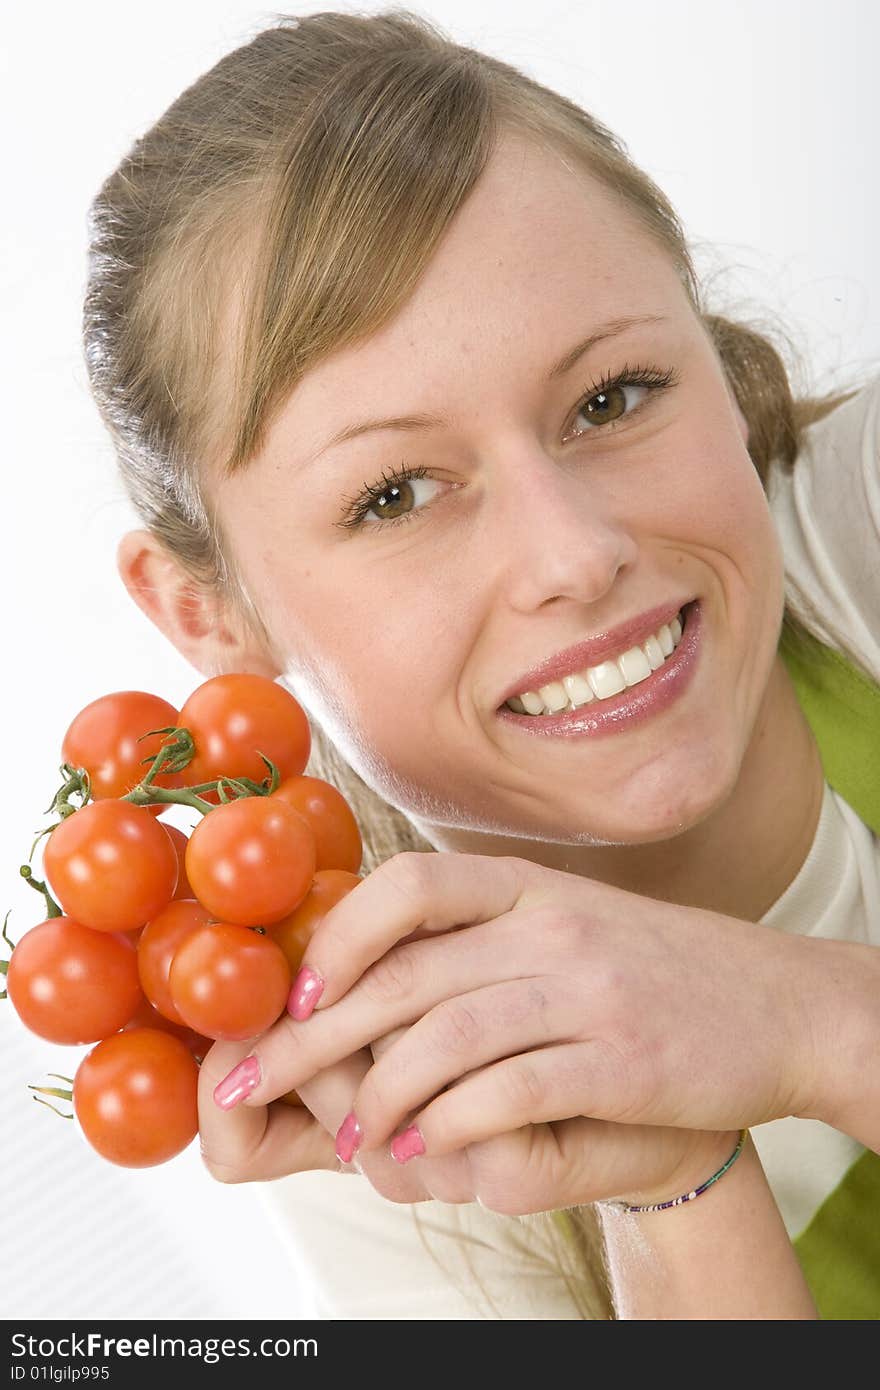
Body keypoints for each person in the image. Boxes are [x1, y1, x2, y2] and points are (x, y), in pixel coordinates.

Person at [83, 10, 880, 1319]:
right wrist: (678, 1183)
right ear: (205, 612)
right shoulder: (370, 1107)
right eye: (396, 493)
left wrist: (809, 1022)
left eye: (613, 395)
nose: (574, 553)